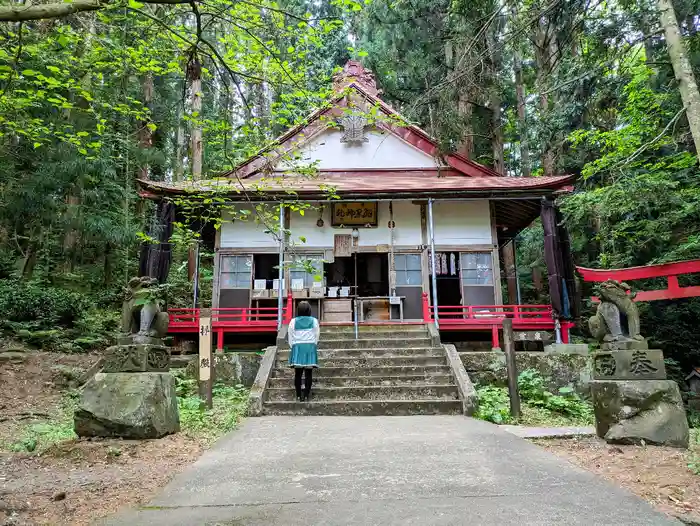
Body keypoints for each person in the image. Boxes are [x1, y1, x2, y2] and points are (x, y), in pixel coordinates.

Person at [288, 300, 319, 401]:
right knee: (308, 373)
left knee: (298, 373)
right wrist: (313, 344)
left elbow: (290, 336)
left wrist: (293, 346)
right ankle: (306, 395)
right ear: (309, 310)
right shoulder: (314, 320)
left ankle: (298, 395)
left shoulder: (293, 321)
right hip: (310, 347)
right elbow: (316, 335)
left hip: (297, 347)